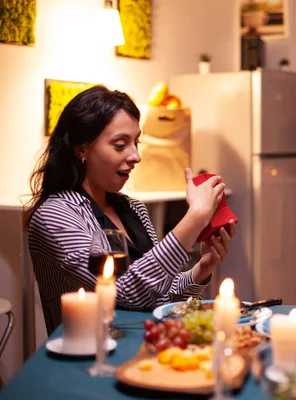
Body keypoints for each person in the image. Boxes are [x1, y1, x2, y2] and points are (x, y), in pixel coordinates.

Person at [25, 85, 236, 334]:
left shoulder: (134, 208)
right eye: (120, 145)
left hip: (148, 349)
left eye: (136, 142)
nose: (136, 155)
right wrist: (195, 218)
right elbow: (124, 293)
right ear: (82, 149)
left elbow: (159, 294)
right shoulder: (56, 215)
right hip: (88, 359)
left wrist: (202, 269)